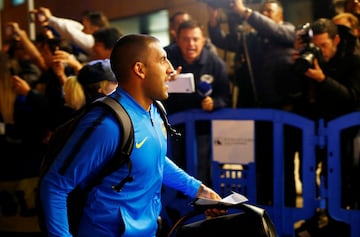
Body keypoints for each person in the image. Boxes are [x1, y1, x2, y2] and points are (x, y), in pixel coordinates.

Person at [39, 33, 223, 237]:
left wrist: (199, 190)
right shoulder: (107, 124)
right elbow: (54, 185)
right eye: (162, 60)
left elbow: (152, 158)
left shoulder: (156, 110)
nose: (170, 69)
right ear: (140, 69)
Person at [207, 0, 297, 206]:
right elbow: (225, 41)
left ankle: (287, 209)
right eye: (262, 10)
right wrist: (214, 23)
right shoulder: (252, 38)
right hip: (257, 112)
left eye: (269, 11)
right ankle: (261, 208)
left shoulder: (288, 31)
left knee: (284, 164)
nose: (264, 14)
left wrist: (246, 12)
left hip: (284, 115)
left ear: (280, 16)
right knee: (259, 162)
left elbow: (274, 31)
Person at [293, 18, 360, 209]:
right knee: (306, 173)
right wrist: (296, 63)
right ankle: (313, 218)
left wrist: (323, 79)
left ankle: (337, 222)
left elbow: (353, 97)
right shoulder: (310, 57)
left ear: (336, 40)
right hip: (313, 126)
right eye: (316, 45)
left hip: (343, 131)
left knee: (337, 177)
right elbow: (295, 92)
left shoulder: (353, 60)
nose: (320, 50)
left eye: (324, 45)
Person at [164, 20, 231, 186]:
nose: (191, 44)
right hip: (170, 130)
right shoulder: (165, 58)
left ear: (203, 40)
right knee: (174, 172)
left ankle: (202, 207)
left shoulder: (215, 64)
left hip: (203, 131)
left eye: (195, 39)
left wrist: (214, 103)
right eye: (185, 39)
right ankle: (175, 209)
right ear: (177, 40)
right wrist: (163, 77)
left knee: (201, 171)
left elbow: (226, 97)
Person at [33, 7, 109, 60]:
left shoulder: (93, 41)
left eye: (85, 27)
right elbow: (74, 28)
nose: (82, 30)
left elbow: (73, 33)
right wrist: (50, 20)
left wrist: (50, 18)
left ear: (95, 28)